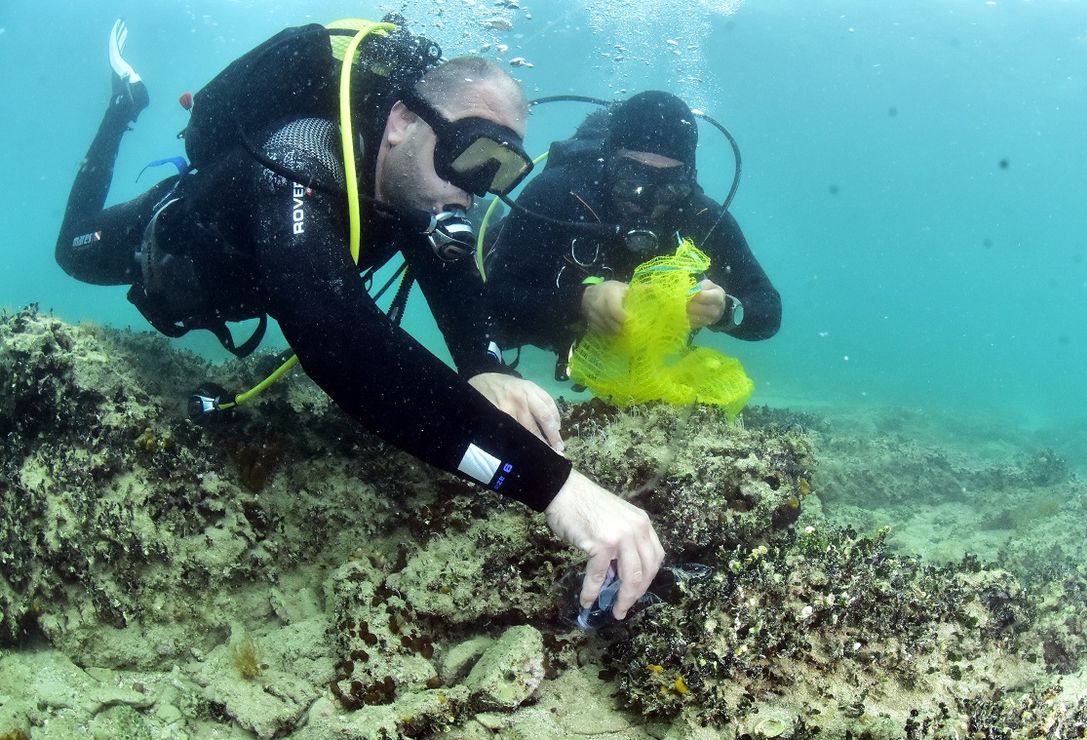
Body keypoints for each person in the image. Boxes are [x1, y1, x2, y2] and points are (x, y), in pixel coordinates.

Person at [56, 19, 663, 620]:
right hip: (170, 257)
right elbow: (341, 344)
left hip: (263, 289)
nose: (472, 191)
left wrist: (485, 366)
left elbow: (452, 278)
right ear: (400, 122)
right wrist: (557, 487)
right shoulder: (299, 156)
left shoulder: (414, 188)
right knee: (72, 251)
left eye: (497, 170)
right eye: (468, 154)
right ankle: (122, 104)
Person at [485, 91, 781, 379]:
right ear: (609, 163)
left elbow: (768, 310)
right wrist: (580, 301)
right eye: (631, 181)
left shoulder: (703, 217)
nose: (646, 203)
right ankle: (481, 212)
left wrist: (725, 311)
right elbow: (496, 296)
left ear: (688, 178)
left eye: (668, 187)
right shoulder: (557, 193)